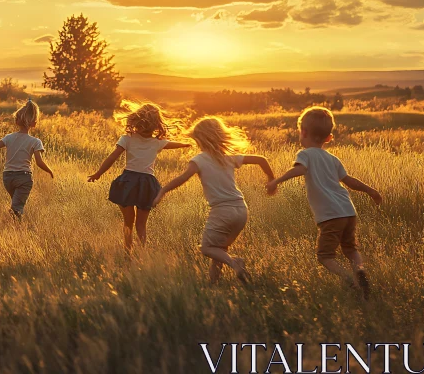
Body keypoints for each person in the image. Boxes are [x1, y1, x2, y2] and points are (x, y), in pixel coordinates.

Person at [266, 106, 382, 298]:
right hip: (348, 211)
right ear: (329, 138)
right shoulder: (332, 158)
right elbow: (349, 181)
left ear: (303, 132)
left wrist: (276, 181)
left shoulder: (305, 155)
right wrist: (371, 191)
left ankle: (349, 280)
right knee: (350, 249)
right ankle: (359, 269)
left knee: (325, 256)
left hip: (330, 215)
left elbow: (300, 170)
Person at [153, 116, 274, 284]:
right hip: (241, 210)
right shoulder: (229, 156)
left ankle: (235, 263)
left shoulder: (200, 159)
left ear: (201, 139)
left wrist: (163, 190)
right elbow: (261, 159)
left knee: (207, 248)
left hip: (222, 210)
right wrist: (271, 179)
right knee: (220, 249)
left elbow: (182, 178)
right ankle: (213, 284)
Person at [88, 100, 191, 254]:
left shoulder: (127, 139)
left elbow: (112, 158)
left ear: (136, 121)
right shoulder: (158, 142)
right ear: (157, 125)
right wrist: (186, 144)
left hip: (128, 182)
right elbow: (173, 144)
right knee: (141, 225)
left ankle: (128, 252)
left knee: (128, 222)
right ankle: (141, 254)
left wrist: (98, 174)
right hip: (147, 184)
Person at [0, 99, 54, 218]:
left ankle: (14, 227)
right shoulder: (35, 142)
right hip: (23, 178)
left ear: (16, 121)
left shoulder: (9, 138)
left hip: (8, 178)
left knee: (16, 203)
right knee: (17, 208)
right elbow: (39, 162)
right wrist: (50, 171)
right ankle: (14, 224)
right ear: (34, 123)